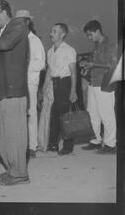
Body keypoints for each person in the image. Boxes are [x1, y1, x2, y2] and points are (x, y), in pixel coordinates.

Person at [0, 0, 30, 186]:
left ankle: (20, 174)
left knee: (15, 135)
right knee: (3, 134)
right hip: (2, 91)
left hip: (13, 92)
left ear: (3, 11)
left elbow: (3, 45)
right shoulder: (4, 31)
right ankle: (12, 170)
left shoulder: (18, 25)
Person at [81, 20, 117, 154]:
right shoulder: (96, 45)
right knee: (93, 113)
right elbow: (95, 62)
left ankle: (110, 143)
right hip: (93, 82)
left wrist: (93, 65)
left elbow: (112, 65)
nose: (89, 38)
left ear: (97, 31)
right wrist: (87, 63)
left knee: (106, 114)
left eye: (90, 35)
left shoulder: (111, 44)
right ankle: (95, 140)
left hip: (105, 82)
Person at [42, 23, 77, 155]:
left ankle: (68, 146)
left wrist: (73, 91)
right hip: (53, 84)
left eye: (55, 31)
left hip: (65, 83)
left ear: (63, 34)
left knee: (65, 116)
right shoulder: (50, 51)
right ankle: (53, 144)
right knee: (53, 115)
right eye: (51, 30)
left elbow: (73, 72)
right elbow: (49, 72)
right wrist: (43, 90)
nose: (51, 33)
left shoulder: (69, 50)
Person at [15, 10, 46, 158]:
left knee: (31, 114)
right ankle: (22, 145)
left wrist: (24, 66)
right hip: (17, 83)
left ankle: (32, 146)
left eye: (21, 21)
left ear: (27, 22)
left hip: (30, 83)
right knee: (19, 115)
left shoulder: (35, 40)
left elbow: (41, 64)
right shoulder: (17, 39)